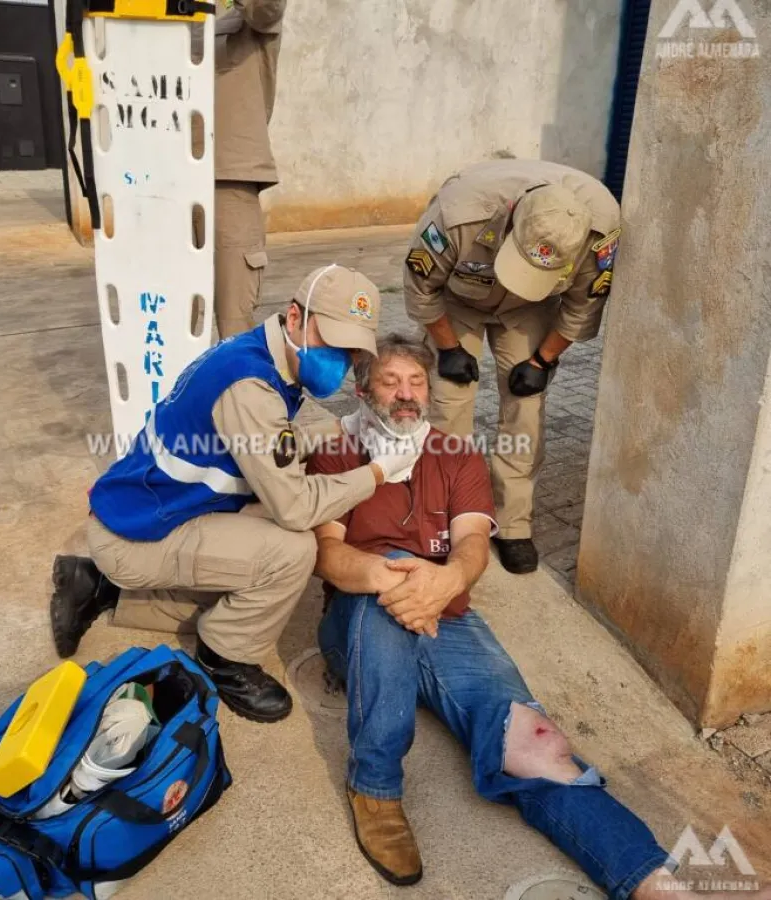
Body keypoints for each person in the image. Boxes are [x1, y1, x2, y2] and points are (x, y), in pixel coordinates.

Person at [306, 335, 757, 900]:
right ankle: (374, 785)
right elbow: (328, 554)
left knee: (534, 744)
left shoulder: (457, 452)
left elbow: (471, 548)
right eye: (392, 382)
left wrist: (443, 580)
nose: (406, 395)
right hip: (357, 624)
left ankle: (654, 882)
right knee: (391, 575)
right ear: (363, 388)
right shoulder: (335, 452)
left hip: (448, 617)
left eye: (416, 382)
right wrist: (395, 574)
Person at [50, 265, 424, 724]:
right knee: (292, 552)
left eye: (350, 351)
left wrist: (338, 427)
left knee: (252, 574)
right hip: (137, 535)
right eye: (331, 341)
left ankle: (101, 588)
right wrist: (379, 471)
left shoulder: (257, 358)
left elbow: (271, 443)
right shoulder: (249, 386)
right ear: (294, 317)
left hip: (147, 511)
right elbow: (296, 505)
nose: (340, 360)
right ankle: (225, 656)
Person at [403, 158, 622, 575]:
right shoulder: (458, 216)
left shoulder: (599, 230)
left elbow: (581, 308)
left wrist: (542, 360)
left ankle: (513, 524)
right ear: (511, 223)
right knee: (448, 407)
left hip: (530, 307)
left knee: (525, 407)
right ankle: (446, 514)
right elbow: (421, 290)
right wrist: (449, 348)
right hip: (457, 301)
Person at [204, 0, 287, 338]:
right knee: (168, 314)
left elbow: (267, 8)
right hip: (164, 179)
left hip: (229, 179)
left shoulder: (248, 16)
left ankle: (234, 390)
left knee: (233, 320)